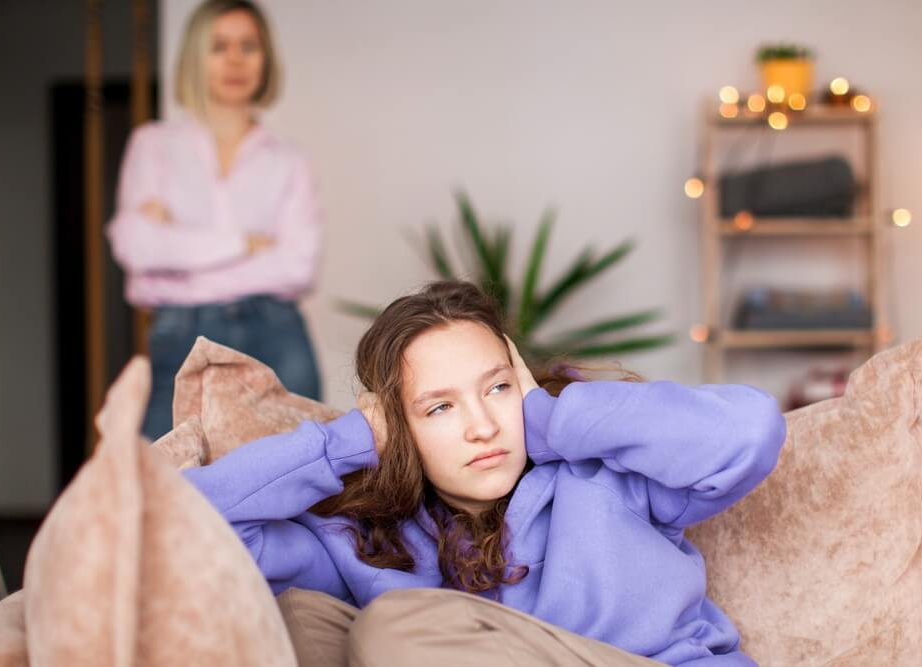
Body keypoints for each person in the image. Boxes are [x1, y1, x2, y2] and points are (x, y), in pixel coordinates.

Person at [184, 281, 787, 666]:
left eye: (497, 388)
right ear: (399, 428)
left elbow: (749, 431)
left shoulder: (604, 479)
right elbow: (187, 531)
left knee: (396, 628)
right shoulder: (363, 542)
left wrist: (552, 422)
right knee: (306, 621)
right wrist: (345, 444)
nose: (482, 425)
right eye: (440, 407)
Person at [107, 0, 321, 442]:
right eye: (219, 46)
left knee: (298, 489)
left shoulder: (289, 161)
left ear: (266, 59)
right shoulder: (153, 146)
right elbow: (135, 248)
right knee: (171, 484)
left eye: (249, 46)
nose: (236, 60)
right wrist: (245, 243)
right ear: (195, 56)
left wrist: (178, 255)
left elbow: (298, 265)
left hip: (277, 335)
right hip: (182, 335)